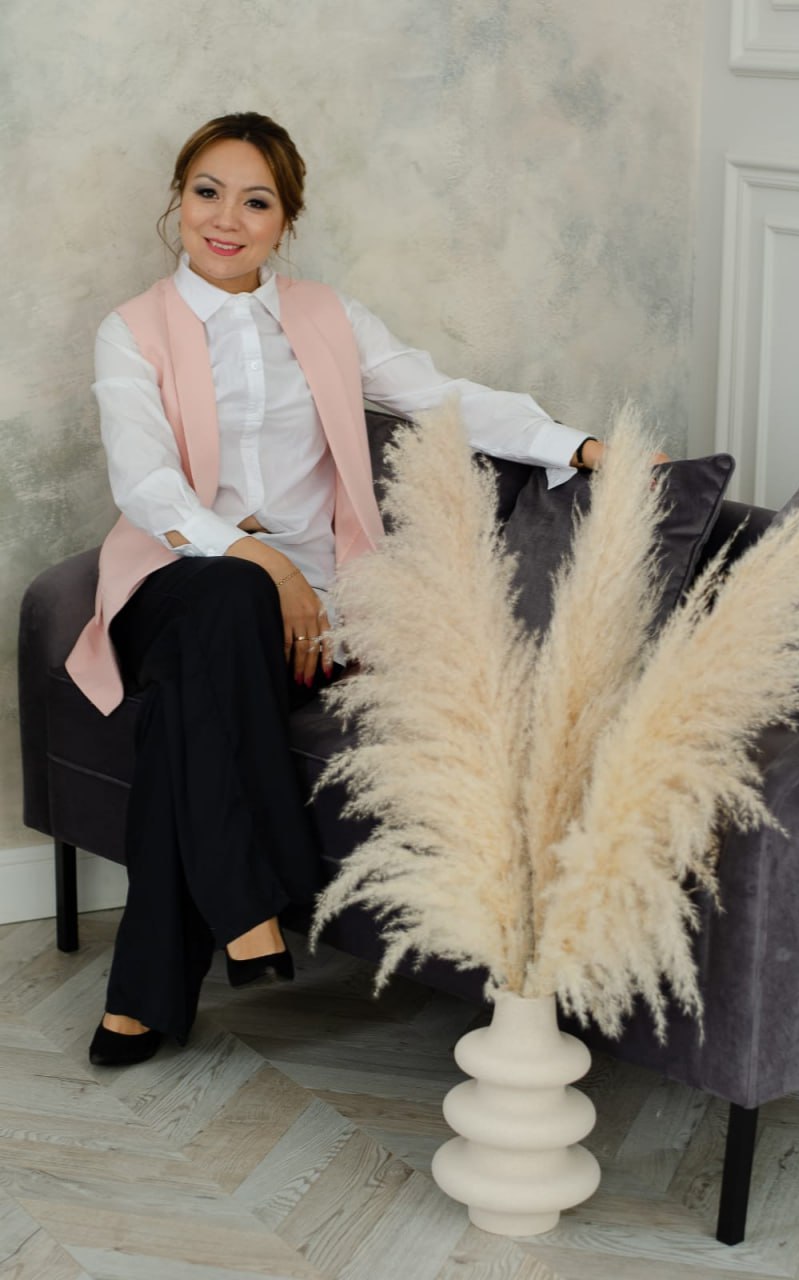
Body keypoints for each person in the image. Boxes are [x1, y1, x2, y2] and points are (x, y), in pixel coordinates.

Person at [66, 111, 617, 1068]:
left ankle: (155, 987)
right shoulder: (131, 331)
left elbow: (441, 397)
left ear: (286, 220)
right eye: (206, 192)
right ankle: (250, 894)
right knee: (226, 598)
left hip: (311, 613)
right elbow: (146, 486)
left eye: (255, 202)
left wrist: (575, 446)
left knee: (184, 710)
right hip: (172, 579)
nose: (225, 219)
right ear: (177, 200)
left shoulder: (328, 318)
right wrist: (267, 562)